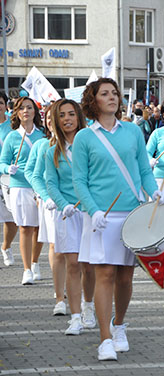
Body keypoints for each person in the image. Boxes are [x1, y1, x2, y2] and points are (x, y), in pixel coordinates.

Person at [73, 78, 161, 361]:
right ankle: (105, 339)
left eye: (115, 93)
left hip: (132, 213)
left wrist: (156, 192)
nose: (112, 97)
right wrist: (93, 210)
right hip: (101, 216)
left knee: (125, 276)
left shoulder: (133, 131)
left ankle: (119, 325)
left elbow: (143, 169)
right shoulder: (85, 137)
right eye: (104, 94)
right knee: (105, 274)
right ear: (93, 100)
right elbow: (79, 181)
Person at [45, 99, 96, 335]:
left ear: (79, 117)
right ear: (56, 119)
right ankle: (74, 316)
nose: (67, 119)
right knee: (73, 264)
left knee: (89, 265)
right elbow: (51, 184)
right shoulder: (51, 150)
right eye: (62, 115)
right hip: (67, 214)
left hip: (90, 212)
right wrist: (63, 205)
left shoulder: (91, 145)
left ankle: (89, 306)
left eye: (71, 114)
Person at [0, 97, 45, 285]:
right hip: (19, 185)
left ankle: (35, 262)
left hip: (40, 186)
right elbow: (2, 162)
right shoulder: (12, 136)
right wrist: (7, 169)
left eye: (29, 108)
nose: (26, 111)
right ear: (17, 113)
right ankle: (26, 269)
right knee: (25, 227)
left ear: (35, 112)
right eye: (22, 108)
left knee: (39, 228)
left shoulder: (42, 136)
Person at [27, 104, 66, 313]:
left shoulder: (76, 144)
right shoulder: (42, 145)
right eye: (49, 118)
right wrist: (44, 196)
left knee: (74, 251)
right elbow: (33, 175)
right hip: (50, 203)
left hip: (74, 203)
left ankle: (71, 286)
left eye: (56, 117)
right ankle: (59, 292)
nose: (52, 122)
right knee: (55, 245)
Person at [0, 92, 18, 267]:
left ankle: (6, 247)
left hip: (7, 177)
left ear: (6, 105)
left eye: (0, 102)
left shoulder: (11, 126)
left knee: (11, 219)